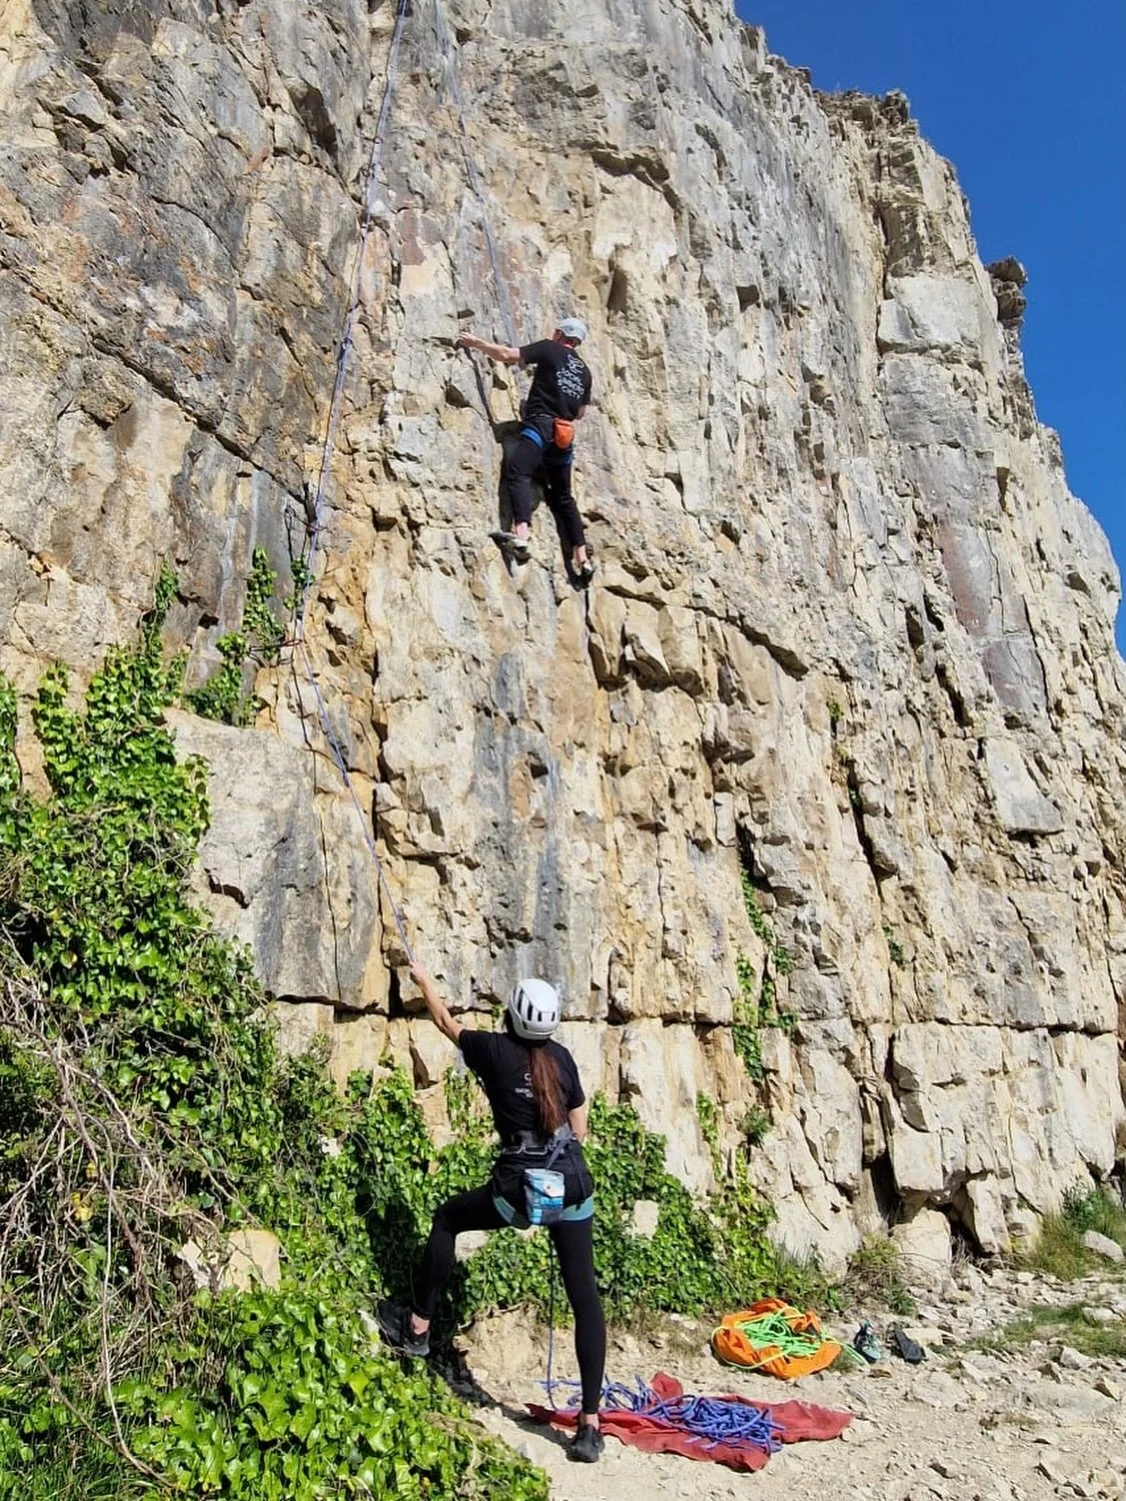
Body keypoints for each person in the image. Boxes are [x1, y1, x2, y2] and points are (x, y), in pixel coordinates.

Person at [377, 961, 607, 1464]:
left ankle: (418, 1327)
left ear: (512, 1017)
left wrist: (424, 980)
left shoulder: (494, 1051)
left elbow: (445, 1023)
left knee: (447, 1219)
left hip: (519, 1191)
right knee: (583, 1294)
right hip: (571, 1185)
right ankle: (590, 1428)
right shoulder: (563, 1059)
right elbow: (580, 1129)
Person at [456, 318, 595, 584]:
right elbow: (580, 412)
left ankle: (521, 536)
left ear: (559, 334)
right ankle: (583, 559)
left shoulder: (549, 348)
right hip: (564, 435)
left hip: (541, 425)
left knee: (518, 471)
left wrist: (477, 343)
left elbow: (508, 355)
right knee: (564, 497)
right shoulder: (585, 372)